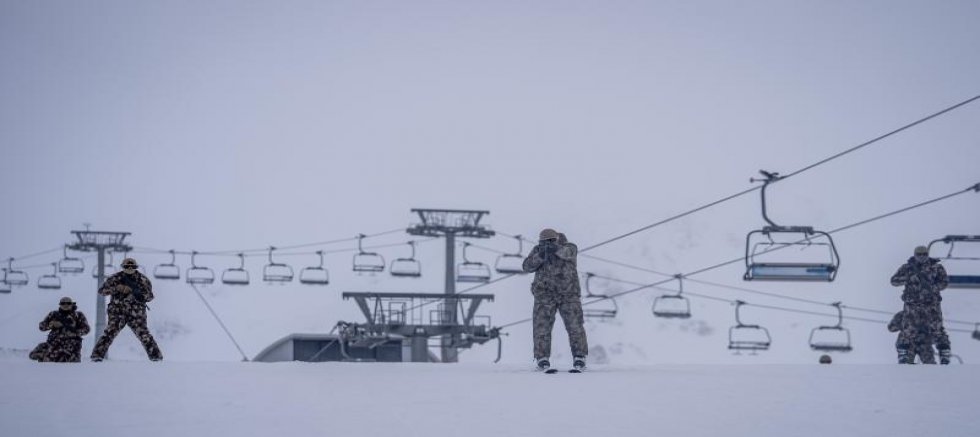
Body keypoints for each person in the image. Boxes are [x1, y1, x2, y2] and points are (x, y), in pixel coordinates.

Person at [523, 228, 588, 371]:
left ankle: (579, 357)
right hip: (544, 295)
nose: (547, 244)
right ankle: (542, 358)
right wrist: (540, 255)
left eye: (550, 241)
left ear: (558, 239)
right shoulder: (538, 250)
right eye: (544, 242)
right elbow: (527, 266)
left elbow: (568, 254)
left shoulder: (570, 247)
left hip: (568, 295)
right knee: (541, 328)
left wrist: (555, 248)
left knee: (575, 327)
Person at [90, 257, 163, 362]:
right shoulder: (115, 278)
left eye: (132, 266)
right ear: (123, 267)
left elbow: (150, 296)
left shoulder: (143, 280)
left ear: (136, 267)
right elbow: (102, 291)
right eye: (127, 266)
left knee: (144, 335)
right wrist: (116, 288)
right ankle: (96, 356)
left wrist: (136, 293)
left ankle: (156, 358)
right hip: (117, 312)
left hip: (136, 314)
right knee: (109, 334)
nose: (129, 268)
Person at [890, 246, 950, 365]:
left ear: (927, 254)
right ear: (915, 255)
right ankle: (904, 355)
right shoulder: (907, 268)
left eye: (924, 254)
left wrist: (933, 287)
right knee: (908, 330)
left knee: (937, 329)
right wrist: (907, 278)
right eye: (919, 254)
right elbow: (893, 281)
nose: (922, 256)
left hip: (931, 304)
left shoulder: (936, 267)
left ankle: (944, 355)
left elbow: (944, 282)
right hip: (912, 305)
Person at [30, 297, 91, 362]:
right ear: (60, 304)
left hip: (71, 347)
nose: (65, 305)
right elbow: (41, 326)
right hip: (54, 345)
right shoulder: (53, 314)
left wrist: (74, 332)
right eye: (63, 303)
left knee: (71, 367)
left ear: (72, 304)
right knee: (36, 355)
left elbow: (86, 329)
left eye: (68, 303)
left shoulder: (78, 315)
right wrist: (50, 325)